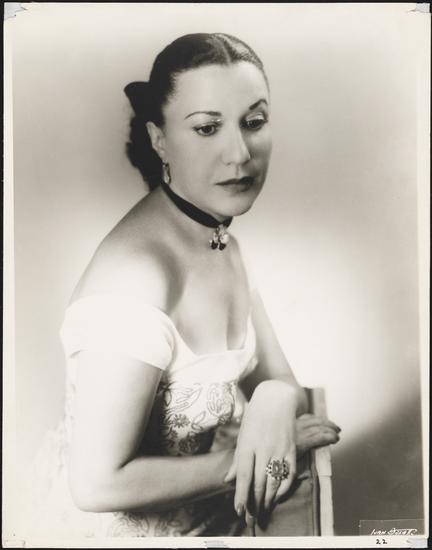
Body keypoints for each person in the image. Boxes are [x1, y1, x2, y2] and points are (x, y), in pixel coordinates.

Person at [26, 32, 341, 538]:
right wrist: (254, 455)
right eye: (207, 128)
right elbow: (95, 485)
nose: (239, 153)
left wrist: (274, 402)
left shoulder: (221, 240)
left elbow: (280, 382)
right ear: (159, 140)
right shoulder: (135, 279)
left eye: (254, 122)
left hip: (205, 515)